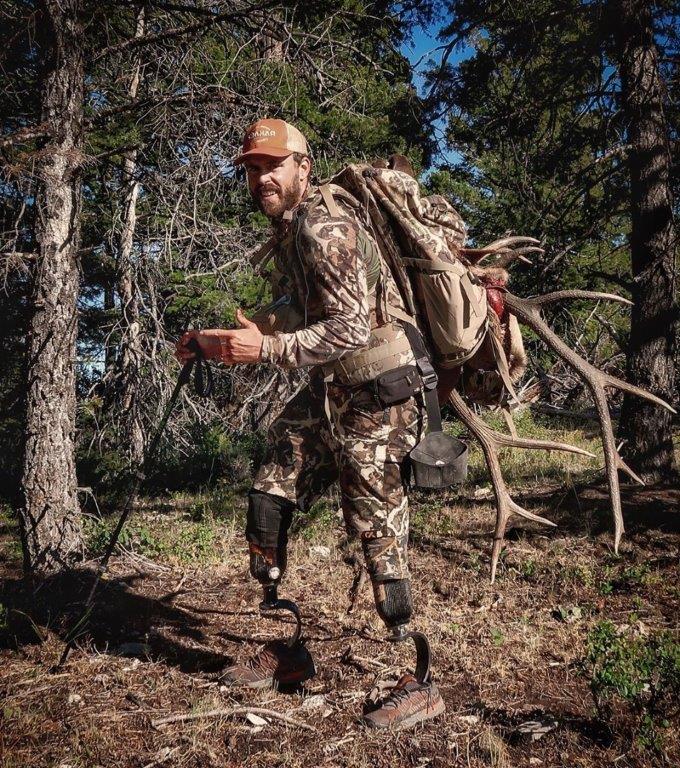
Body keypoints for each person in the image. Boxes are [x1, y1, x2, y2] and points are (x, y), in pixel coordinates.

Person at [176, 118, 445, 728]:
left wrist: (266, 351)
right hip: (336, 387)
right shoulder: (289, 229)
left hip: (382, 391)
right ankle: (289, 648)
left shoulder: (325, 228)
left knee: (376, 528)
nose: (262, 176)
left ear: (303, 165)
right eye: (251, 167)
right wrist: (211, 341)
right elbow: (298, 314)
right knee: (272, 483)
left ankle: (420, 675)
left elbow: (349, 327)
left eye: (273, 165)